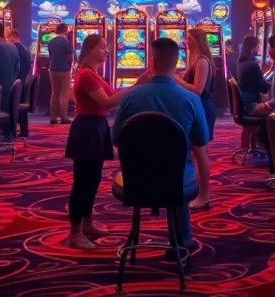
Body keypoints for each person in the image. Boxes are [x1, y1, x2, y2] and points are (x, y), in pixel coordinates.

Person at [112, 38, 209, 259]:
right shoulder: (191, 99)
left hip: (134, 176)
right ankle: (183, 238)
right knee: (179, 167)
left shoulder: (130, 97)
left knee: (171, 167)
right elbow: (201, 139)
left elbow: (116, 138)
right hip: (177, 178)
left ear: (152, 61)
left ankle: (138, 237)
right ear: (178, 63)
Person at [65, 33, 129, 249]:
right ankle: (74, 233)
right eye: (102, 47)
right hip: (87, 129)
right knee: (82, 183)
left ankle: (87, 224)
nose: (107, 51)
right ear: (90, 49)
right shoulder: (86, 75)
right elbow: (108, 101)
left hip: (97, 127)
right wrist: (137, 85)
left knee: (92, 180)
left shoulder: (93, 72)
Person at [175, 28, 216, 210]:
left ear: (199, 41)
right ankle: (199, 192)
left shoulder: (201, 61)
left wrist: (177, 81)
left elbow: (198, 90)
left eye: (190, 38)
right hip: (196, 107)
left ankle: (204, 196)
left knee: (200, 153)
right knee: (196, 153)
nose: (186, 41)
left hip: (202, 108)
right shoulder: (195, 60)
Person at [235, 35, 268, 149]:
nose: (259, 48)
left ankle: (250, 146)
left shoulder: (241, 62)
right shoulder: (252, 65)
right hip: (251, 104)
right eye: (258, 45)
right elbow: (263, 87)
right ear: (253, 47)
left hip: (244, 102)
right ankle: (266, 145)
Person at [47, 23, 75, 124]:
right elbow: (71, 57)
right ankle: (64, 117)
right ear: (65, 31)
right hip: (64, 70)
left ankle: (53, 117)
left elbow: (50, 56)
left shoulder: (51, 42)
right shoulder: (65, 42)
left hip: (52, 69)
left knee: (54, 93)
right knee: (64, 94)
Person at [8, 28, 34, 138]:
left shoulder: (15, 49)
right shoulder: (23, 48)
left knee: (7, 101)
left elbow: (13, 68)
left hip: (17, 83)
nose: (7, 40)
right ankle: (23, 129)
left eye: (7, 37)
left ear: (12, 37)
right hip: (21, 82)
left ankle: (9, 131)